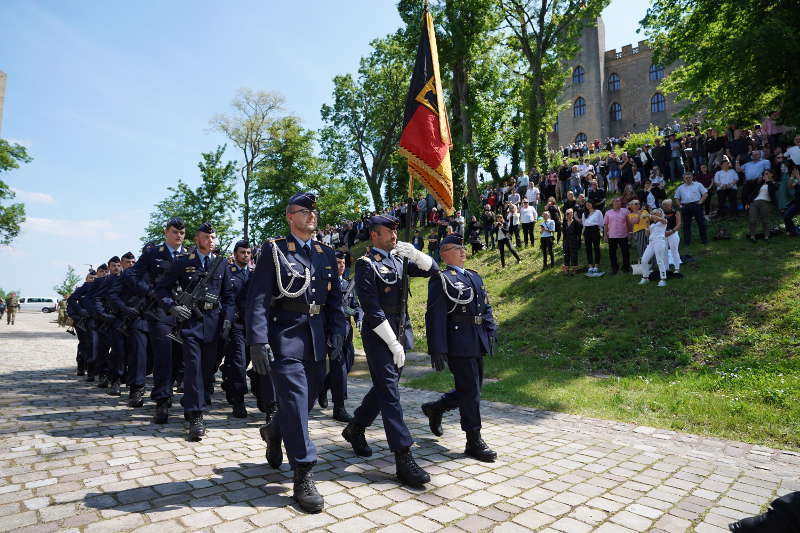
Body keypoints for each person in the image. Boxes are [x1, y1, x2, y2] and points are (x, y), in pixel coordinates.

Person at [246, 192, 345, 513]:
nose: (312, 216)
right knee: (293, 401)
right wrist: (257, 341)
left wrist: (338, 332)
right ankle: (303, 472)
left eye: (314, 212)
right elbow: (258, 299)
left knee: (302, 404)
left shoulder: (325, 253)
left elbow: (335, 302)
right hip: (285, 337)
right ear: (290, 217)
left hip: (316, 339)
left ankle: (274, 431)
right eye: (305, 211)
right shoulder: (273, 251)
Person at [342, 214, 438, 489]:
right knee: (391, 393)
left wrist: (417, 254)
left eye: (396, 231)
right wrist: (392, 343)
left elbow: (433, 270)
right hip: (378, 334)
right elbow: (371, 309)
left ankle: (356, 427)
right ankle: (403, 456)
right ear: (375, 235)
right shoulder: (366, 264)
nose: (394, 236)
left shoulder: (399, 259)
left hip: (400, 329)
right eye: (389, 232)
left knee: (386, 387)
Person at [422, 234, 498, 462]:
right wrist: (437, 348)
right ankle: (473, 440)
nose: (463, 251)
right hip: (458, 342)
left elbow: (485, 306)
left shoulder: (474, 276)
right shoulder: (441, 278)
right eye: (457, 248)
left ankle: (437, 408)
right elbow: (434, 316)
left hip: (477, 339)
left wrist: (490, 329)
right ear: (445, 253)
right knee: (471, 391)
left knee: (472, 389)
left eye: (463, 248)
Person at [157, 222, 234, 441]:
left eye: (213, 238)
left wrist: (227, 320)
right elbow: (161, 288)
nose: (211, 241)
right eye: (206, 237)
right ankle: (195, 415)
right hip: (190, 323)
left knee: (207, 370)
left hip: (214, 323)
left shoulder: (221, 264)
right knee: (193, 368)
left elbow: (228, 297)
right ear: (197, 239)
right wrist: (172, 306)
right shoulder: (183, 262)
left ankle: (192, 400)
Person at [128, 217, 187, 421]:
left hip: (182, 311)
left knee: (179, 358)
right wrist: (150, 291)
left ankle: (171, 392)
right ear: (166, 232)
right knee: (163, 357)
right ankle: (161, 401)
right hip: (159, 312)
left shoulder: (187, 256)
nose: (178, 236)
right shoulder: (153, 254)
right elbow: (132, 276)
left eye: (181, 233)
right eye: (174, 232)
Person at [318, 250, 362, 423]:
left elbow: (356, 305)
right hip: (330, 329)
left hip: (346, 330)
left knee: (348, 363)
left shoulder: (349, 284)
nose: (340, 266)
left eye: (343, 263)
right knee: (340, 367)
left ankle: (323, 387)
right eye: (337, 263)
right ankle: (339, 407)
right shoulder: (324, 282)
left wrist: (359, 313)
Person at [109, 251, 149, 408]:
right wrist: (125, 309)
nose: (131, 265)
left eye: (134, 262)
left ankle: (136, 383)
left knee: (140, 354)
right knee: (119, 352)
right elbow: (113, 296)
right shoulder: (122, 278)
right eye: (128, 262)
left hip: (142, 319)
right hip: (122, 320)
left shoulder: (144, 276)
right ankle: (116, 380)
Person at [220, 240, 252, 418]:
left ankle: (229, 379)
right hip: (235, 323)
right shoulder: (228, 272)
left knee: (244, 359)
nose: (246, 255)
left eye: (248, 253)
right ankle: (239, 401)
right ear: (235, 254)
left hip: (251, 325)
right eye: (242, 252)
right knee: (239, 361)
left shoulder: (254, 275)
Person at [67, 271, 97, 377]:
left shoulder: (98, 290)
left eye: (94, 278)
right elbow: (70, 309)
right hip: (81, 323)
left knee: (93, 344)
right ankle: (81, 366)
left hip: (93, 322)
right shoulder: (79, 291)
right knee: (84, 343)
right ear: (86, 279)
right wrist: (79, 318)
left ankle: (91, 367)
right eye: (90, 278)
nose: (92, 280)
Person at [743, 168, 778, 242]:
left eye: (767, 173)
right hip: (754, 202)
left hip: (765, 202)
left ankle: (766, 236)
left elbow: (773, 189)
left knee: (765, 221)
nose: (765, 175)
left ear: (772, 174)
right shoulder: (760, 184)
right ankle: (752, 236)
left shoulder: (774, 183)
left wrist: (768, 181)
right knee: (752, 220)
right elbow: (752, 194)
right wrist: (747, 203)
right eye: (764, 174)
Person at [673, 173, 708, 246]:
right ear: (684, 179)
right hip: (685, 206)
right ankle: (687, 242)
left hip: (696, 205)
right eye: (686, 178)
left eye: (689, 177)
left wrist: (700, 202)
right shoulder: (680, 187)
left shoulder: (698, 184)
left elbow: (705, 193)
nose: (688, 179)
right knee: (686, 225)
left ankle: (704, 240)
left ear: (692, 177)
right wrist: (680, 206)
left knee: (701, 223)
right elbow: (676, 197)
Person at [638, 208, 670, 287]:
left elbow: (659, 219)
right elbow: (647, 234)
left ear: (660, 213)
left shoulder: (663, 221)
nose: (655, 214)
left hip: (659, 241)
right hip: (651, 242)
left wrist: (649, 215)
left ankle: (663, 279)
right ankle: (645, 277)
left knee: (659, 260)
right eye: (654, 213)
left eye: (657, 213)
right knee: (644, 260)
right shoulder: (652, 224)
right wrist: (647, 225)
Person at [603, 197, 631, 274]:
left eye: (618, 201)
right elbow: (605, 225)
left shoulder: (625, 211)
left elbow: (629, 223)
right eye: (615, 202)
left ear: (621, 203)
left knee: (625, 252)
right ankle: (614, 268)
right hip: (612, 236)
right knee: (612, 253)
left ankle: (626, 267)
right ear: (613, 203)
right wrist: (605, 235)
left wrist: (630, 233)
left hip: (623, 235)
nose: (617, 203)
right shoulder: (608, 212)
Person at [577, 200, 603, 276]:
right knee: (588, 249)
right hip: (587, 231)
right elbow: (584, 225)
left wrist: (601, 232)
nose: (588, 205)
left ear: (592, 204)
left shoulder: (598, 212)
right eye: (586, 204)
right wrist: (582, 235)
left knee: (596, 248)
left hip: (595, 230)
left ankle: (596, 266)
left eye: (589, 203)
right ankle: (590, 266)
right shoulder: (584, 213)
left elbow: (601, 223)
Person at [662, 199, 682, 273]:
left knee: (674, 250)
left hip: (673, 233)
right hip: (663, 234)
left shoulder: (676, 212)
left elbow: (679, 224)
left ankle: (677, 268)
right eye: (664, 205)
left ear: (670, 205)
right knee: (664, 251)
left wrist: (671, 231)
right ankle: (666, 268)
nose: (665, 207)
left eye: (666, 205)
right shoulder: (662, 213)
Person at [627, 200, 650, 265]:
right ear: (631, 206)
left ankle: (651, 264)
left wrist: (648, 229)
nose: (638, 205)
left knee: (649, 247)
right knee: (642, 248)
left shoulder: (645, 211)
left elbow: (649, 220)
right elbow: (635, 221)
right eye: (636, 204)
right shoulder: (630, 215)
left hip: (647, 231)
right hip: (639, 232)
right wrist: (640, 212)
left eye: (639, 203)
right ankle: (644, 265)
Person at [562, 209, 581, 274]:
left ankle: (575, 269)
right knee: (566, 255)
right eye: (567, 214)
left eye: (569, 213)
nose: (568, 215)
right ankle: (566, 269)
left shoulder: (576, 223)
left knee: (574, 255)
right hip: (566, 241)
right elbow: (563, 233)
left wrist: (578, 241)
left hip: (574, 241)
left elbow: (579, 233)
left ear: (572, 214)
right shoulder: (564, 223)